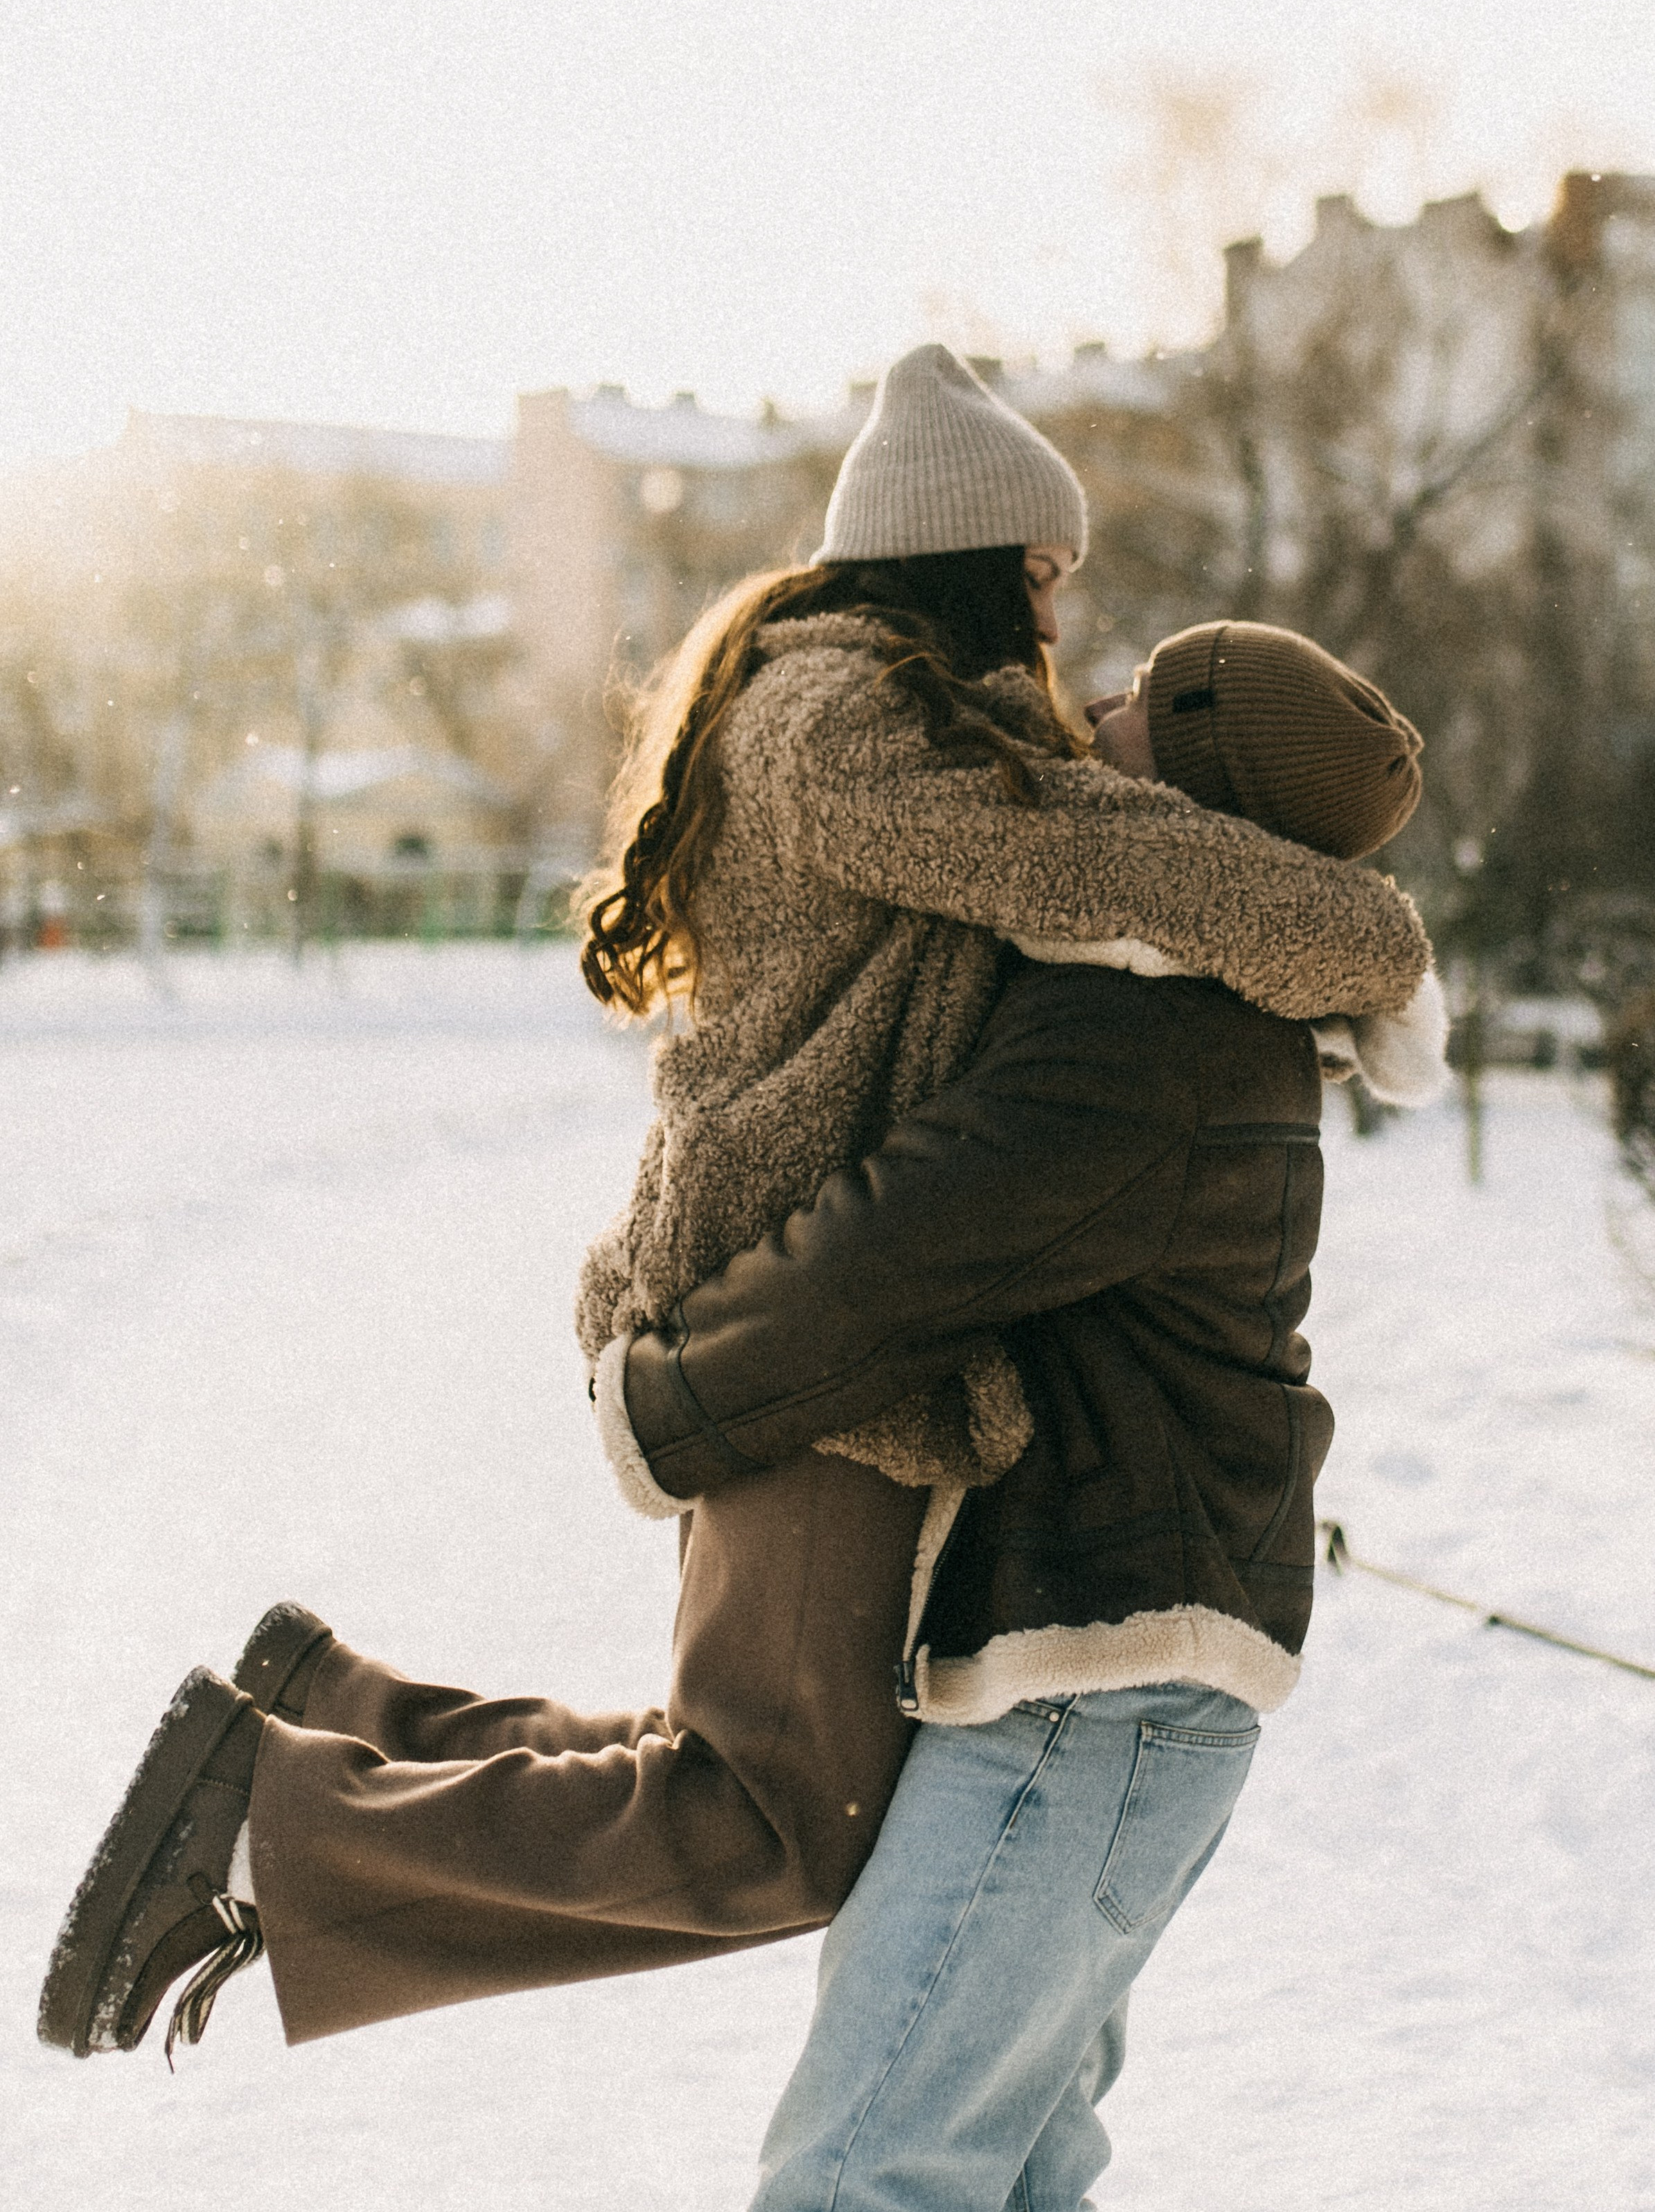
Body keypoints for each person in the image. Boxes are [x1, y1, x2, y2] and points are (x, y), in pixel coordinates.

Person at [37, 349, 1431, 2085]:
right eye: (1047, 578)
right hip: (801, 1326)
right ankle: (266, 1817)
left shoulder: (874, 713)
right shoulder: (841, 723)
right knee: (772, 1820)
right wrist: (1375, 945)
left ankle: (330, 1720)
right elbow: (1097, 856)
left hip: (807, 1322)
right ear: (966, 558)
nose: (1065, 639)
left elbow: (1088, 844)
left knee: (742, 1778)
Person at [610, 617, 1444, 2209]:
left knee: (867, 2168)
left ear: (1191, 779)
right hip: (1128, 1687)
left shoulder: (1146, 1026)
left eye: (1141, 698)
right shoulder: (1194, 1006)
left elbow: (901, 1251)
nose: (1096, 705)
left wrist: (666, 1401)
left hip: (1102, 1688)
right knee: (1008, 2165)